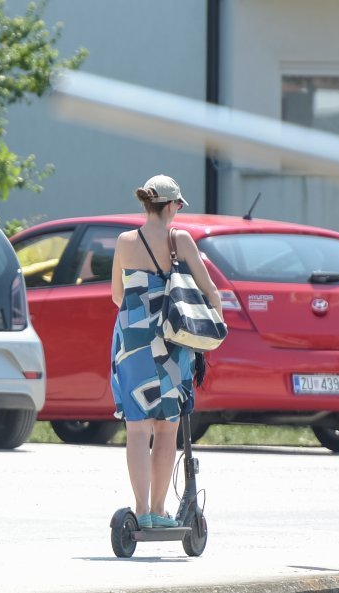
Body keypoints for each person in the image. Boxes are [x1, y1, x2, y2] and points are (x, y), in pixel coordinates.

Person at [109, 175, 222, 529]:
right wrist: (213, 322)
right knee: (166, 428)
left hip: (132, 344)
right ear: (171, 205)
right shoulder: (180, 240)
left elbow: (116, 295)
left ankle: (140, 511)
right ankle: (159, 512)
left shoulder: (125, 242)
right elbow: (210, 291)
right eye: (179, 204)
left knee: (137, 430)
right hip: (171, 344)